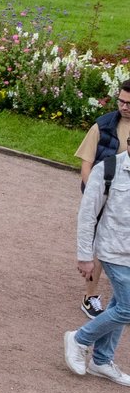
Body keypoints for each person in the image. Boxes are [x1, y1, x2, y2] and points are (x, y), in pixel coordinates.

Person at [66, 143, 130, 386]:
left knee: (119, 305)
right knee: (127, 308)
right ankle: (80, 338)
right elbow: (87, 214)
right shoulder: (108, 169)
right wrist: (85, 256)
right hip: (112, 251)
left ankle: (101, 360)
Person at [75, 80, 130, 316]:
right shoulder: (103, 126)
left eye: (129, 103)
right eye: (121, 101)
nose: (124, 106)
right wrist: (95, 196)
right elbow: (86, 165)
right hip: (106, 194)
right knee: (98, 245)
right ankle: (90, 296)